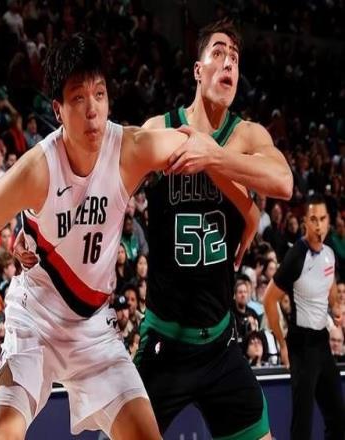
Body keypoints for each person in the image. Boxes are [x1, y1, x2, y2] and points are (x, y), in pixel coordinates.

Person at [0, 34, 258, 440]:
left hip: (93, 327)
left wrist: (248, 210)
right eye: (78, 98)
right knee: (3, 434)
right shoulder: (37, 169)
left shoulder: (130, 149)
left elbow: (203, 148)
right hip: (35, 320)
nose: (92, 110)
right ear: (58, 110)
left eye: (99, 94)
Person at [137, 18, 293, 439]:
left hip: (221, 344)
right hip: (164, 343)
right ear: (197, 69)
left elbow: (283, 182)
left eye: (235, 59)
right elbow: (109, 185)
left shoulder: (246, 135)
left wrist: (212, 156)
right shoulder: (160, 129)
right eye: (218, 53)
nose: (228, 64)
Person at [264, 194, 345, 439]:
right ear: (305, 223)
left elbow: (329, 283)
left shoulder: (329, 253)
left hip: (322, 342)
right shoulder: (296, 256)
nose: (318, 225)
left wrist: (336, 308)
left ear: (329, 220)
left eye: (323, 219)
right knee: (302, 425)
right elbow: (269, 299)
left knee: (338, 419)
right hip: (301, 345)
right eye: (313, 219)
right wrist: (282, 344)